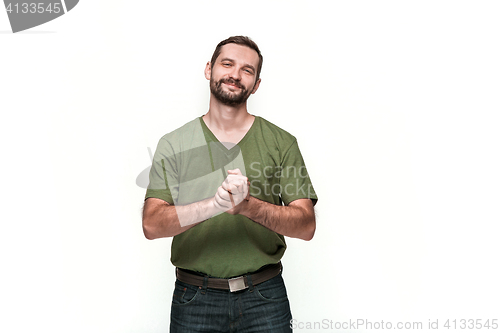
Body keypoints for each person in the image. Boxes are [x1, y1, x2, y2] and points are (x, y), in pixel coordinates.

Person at [142, 36, 318, 332]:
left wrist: (248, 206)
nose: (235, 74)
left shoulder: (281, 142)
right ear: (209, 69)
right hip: (194, 298)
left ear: (256, 84)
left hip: (265, 297)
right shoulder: (174, 143)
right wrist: (215, 205)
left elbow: (306, 226)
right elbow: (152, 224)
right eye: (227, 64)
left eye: (247, 70)